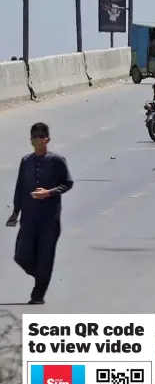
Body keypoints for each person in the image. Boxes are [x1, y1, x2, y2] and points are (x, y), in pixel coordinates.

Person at [6, 123, 73, 305]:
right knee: (21, 255)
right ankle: (41, 276)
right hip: (28, 217)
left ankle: (38, 294)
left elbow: (67, 183)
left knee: (45, 255)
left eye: (40, 136)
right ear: (30, 140)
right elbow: (20, 187)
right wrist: (15, 212)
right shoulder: (26, 161)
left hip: (49, 219)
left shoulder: (57, 161)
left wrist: (49, 192)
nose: (37, 139)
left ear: (47, 139)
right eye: (34, 136)